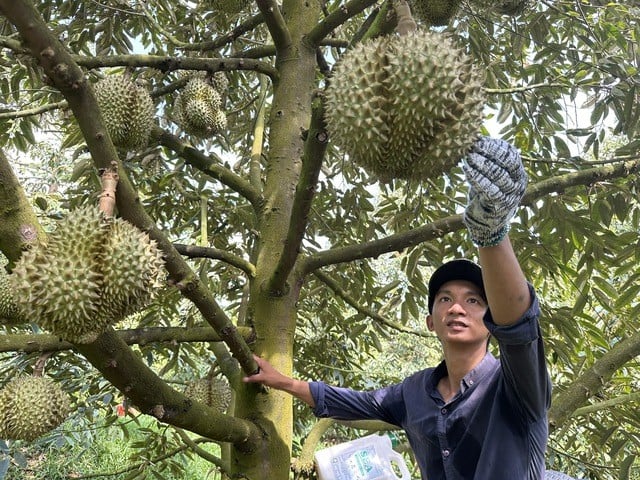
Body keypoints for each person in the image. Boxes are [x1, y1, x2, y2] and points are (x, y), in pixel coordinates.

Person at [244, 137, 552, 480]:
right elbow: (353, 402)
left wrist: (491, 233)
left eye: (474, 300)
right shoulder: (414, 392)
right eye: (445, 300)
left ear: (490, 318)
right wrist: (281, 381)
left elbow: (519, 329)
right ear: (430, 322)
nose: (457, 308)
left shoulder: (516, 384)